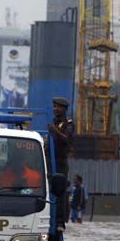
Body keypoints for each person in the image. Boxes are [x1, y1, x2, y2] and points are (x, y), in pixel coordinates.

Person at [48, 97, 74, 229]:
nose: (55, 109)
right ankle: (48, 216)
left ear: (64, 109)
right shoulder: (54, 122)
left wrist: (55, 131)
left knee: (60, 190)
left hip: (61, 161)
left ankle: (60, 221)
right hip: (50, 159)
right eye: (54, 106)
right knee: (48, 188)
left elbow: (67, 139)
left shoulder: (68, 123)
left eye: (58, 107)